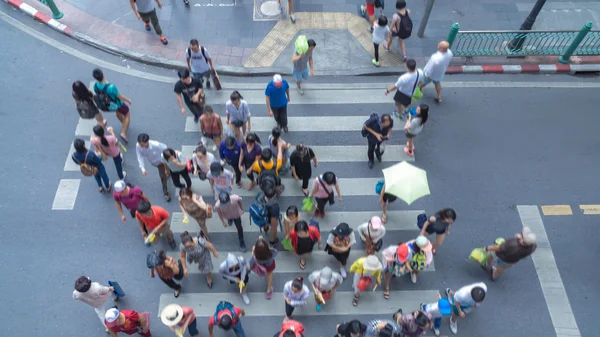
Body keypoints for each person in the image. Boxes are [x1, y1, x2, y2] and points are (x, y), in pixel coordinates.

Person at [92, 68, 132, 143]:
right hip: (117, 104)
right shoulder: (111, 87)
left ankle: (124, 123)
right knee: (127, 113)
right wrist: (128, 100)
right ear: (103, 75)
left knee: (118, 112)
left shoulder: (96, 86)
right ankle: (123, 132)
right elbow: (120, 97)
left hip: (108, 106)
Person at [136, 133, 171, 201]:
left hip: (162, 160)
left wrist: (163, 160)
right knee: (163, 174)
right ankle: (167, 171)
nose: (140, 145)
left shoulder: (156, 145)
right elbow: (139, 156)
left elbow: (165, 149)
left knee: (164, 175)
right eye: (140, 143)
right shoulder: (138, 145)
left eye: (142, 144)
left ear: (147, 142)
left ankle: (166, 193)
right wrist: (142, 168)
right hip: (156, 163)